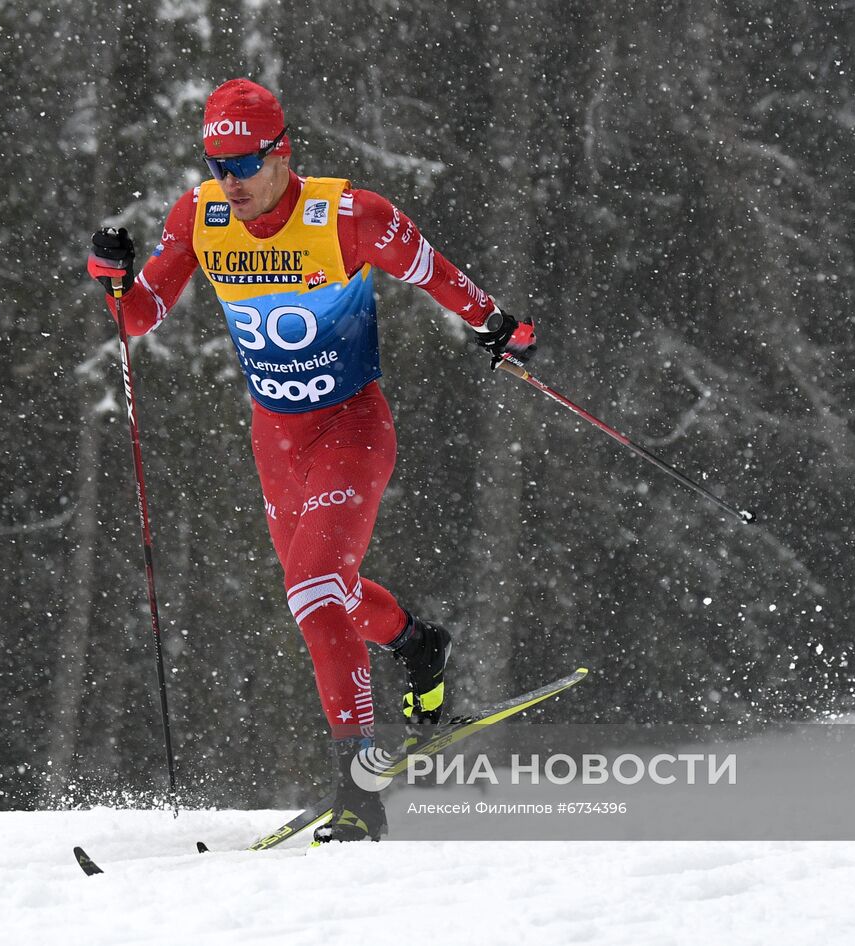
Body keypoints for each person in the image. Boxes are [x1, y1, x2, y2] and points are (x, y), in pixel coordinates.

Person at [88, 78, 536, 842]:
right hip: (276, 440)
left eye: (244, 161)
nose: (228, 179)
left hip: (352, 429)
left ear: (281, 152)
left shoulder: (351, 218)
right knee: (330, 592)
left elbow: (435, 271)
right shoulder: (200, 217)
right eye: (215, 161)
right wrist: (110, 275)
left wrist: (500, 327)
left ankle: (358, 789)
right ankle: (418, 646)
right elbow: (136, 317)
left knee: (314, 589)